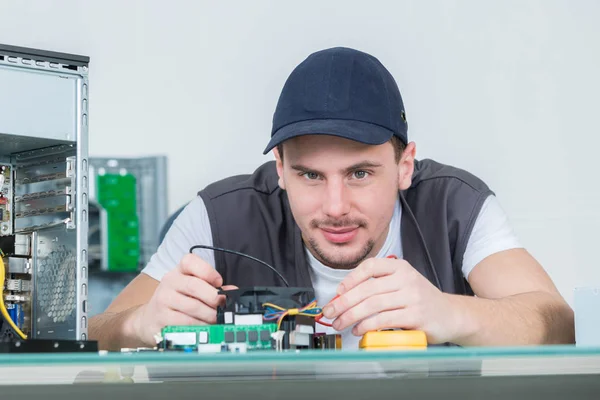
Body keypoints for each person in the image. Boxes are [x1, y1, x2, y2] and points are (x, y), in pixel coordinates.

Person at [89, 46, 574, 351]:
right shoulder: (218, 216)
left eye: (360, 173)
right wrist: (140, 324)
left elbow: (557, 323)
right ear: (279, 168)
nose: (336, 205)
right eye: (310, 175)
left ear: (405, 166)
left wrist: (449, 312)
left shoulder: (455, 206)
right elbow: (94, 332)